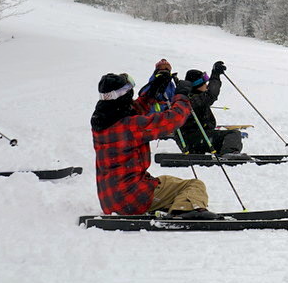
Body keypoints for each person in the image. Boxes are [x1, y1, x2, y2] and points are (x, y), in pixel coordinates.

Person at [91, 71, 218, 219]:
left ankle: (170, 203)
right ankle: (184, 210)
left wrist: (154, 89)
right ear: (124, 95)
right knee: (194, 185)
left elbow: (134, 110)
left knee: (166, 181)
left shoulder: (103, 120)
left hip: (110, 200)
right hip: (133, 199)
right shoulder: (132, 126)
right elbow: (173, 120)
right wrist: (182, 96)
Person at [178, 61, 245, 157]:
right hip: (193, 140)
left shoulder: (193, 96)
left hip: (196, 139)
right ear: (197, 85)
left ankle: (225, 152)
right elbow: (211, 94)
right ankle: (229, 154)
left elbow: (208, 93)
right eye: (204, 83)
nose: (206, 85)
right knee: (234, 134)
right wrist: (215, 75)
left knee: (225, 137)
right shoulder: (192, 99)